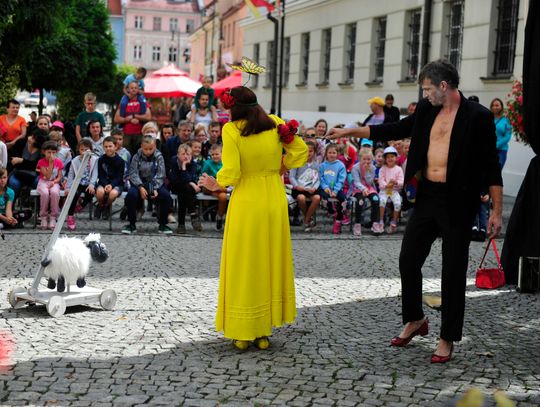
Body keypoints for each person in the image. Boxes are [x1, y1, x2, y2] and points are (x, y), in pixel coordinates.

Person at [328, 59, 503, 363]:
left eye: (427, 89)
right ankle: (415, 319)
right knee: (408, 260)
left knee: (453, 270)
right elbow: (395, 127)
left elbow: (492, 167)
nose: (424, 95)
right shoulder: (426, 110)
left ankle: (447, 337)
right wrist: (350, 131)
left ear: (443, 87)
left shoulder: (478, 117)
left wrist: (497, 211)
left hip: (458, 201)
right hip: (427, 196)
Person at [198, 86, 308, 350]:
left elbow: (233, 172)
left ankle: (244, 331)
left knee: (245, 264)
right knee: (269, 261)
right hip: (274, 198)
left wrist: (216, 184)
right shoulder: (276, 124)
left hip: (248, 200)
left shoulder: (232, 130)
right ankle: (263, 331)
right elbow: (300, 151)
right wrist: (278, 167)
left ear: (234, 108)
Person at [122, 136, 172, 234]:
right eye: (145, 149)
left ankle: (162, 224)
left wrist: (155, 187)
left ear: (155, 146)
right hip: (139, 183)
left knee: (166, 196)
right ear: (141, 146)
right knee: (131, 196)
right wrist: (140, 187)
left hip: (155, 183)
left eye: (151, 149)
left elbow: (161, 173)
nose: (148, 151)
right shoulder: (136, 156)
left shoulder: (159, 156)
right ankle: (131, 224)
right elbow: (133, 173)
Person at [168, 143, 202, 234]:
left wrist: (184, 168)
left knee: (184, 192)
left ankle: (181, 224)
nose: (186, 156)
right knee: (185, 188)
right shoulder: (173, 161)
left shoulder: (193, 164)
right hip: (175, 185)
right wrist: (183, 167)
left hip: (186, 188)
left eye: (188, 154)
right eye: (183, 154)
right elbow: (174, 179)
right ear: (178, 155)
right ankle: (193, 213)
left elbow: (190, 177)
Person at [65, 139, 98, 230]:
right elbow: (71, 175)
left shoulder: (94, 160)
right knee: (74, 194)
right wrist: (68, 187)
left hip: (89, 182)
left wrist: (92, 184)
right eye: (82, 150)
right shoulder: (75, 161)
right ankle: (70, 216)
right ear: (78, 150)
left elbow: (95, 173)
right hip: (78, 182)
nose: (84, 152)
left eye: (86, 149)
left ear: (91, 150)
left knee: (90, 193)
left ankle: (81, 206)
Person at [289, 141, 321, 232]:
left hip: (311, 188)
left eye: (310, 151)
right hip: (299, 188)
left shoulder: (316, 164)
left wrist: (314, 187)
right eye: (306, 151)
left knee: (317, 198)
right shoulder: (297, 162)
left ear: (314, 152)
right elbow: (292, 177)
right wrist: (297, 186)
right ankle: (308, 219)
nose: (308, 153)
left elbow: (318, 179)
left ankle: (306, 220)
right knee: (301, 198)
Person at [114, 81, 152, 155]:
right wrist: (127, 119)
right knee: (127, 155)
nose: (134, 89)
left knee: (140, 154)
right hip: (126, 134)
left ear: (138, 89)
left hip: (140, 133)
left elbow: (148, 117)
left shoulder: (143, 101)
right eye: (131, 88)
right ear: (128, 89)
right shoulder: (123, 102)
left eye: (135, 88)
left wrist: (134, 116)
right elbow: (116, 119)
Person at [8, 129, 46, 200]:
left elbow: (39, 166)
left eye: (33, 138)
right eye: (31, 136)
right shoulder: (21, 143)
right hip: (18, 173)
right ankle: (9, 208)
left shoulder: (42, 150)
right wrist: (29, 164)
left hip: (35, 175)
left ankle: (38, 208)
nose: (30, 138)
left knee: (39, 183)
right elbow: (14, 162)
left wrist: (22, 161)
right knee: (13, 184)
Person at [94, 136, 125, 222]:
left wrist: (111, 185)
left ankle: (106, 206)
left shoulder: (120, 161)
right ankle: (100, 205)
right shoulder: (101, 160)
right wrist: (105, 185)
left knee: (113, 193)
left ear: (115, 147)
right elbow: (100, 175)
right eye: (106, 146)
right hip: (103, 182)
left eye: (110, 146)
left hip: (117, 184)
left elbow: (119, 177)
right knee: (100, 192)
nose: (108, 149)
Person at [35, 141, 64, 230]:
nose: (51, 154)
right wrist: (51, 163)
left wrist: (54, 182)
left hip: (54, 182)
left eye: (53, 152)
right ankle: (43, 216)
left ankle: (53, 217)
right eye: (49, 152)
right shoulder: (41, 162)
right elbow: (47, 176)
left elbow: (59, 177)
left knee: (55, 193)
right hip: (43, 182)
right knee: (45, 193)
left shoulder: (59, 162)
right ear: (44, 152)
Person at [319, 144, 347, 235]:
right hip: (325, 188)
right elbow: (321, 178)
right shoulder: (322, 165)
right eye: (329, 152)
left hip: (337, 189)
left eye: (334, 153)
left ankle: (338, 220)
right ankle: (330, 210)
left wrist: (335, 190)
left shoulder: (340, 165)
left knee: (343, 199)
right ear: (326, 154)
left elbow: (341, 179)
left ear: (337, 153)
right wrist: (325, 187)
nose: (332, 155)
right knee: (323, 197)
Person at [351, 148, 380, 236]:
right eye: (364, 159)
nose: (366, 161)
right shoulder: (355, 168)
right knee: (360, 202)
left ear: (371, 159)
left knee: (375, 200)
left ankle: (374, 222)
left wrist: (367, 171)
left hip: (369, 188)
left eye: (369, 159)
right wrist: (363, 189)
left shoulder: (373, 167)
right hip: (358, 188)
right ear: (360, 158)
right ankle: (357, 224)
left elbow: (369, 182)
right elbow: (356, 182)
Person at [376, 146, 403, 234]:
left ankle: (394, 222)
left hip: (394, 191)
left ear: (396, 158)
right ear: (385, 159)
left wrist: (396, 182)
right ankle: (380, 220)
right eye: (388, 157)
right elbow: (381, 181)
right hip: (384, 190)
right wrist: (386, 185)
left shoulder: (399, 169)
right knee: (382, 201)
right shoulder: (382, 169)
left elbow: (401, 181)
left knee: (398, 203)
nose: (390, 159)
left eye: (392, 156)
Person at [201, 144, 228, 231]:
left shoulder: (225, 163)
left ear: (222, 154)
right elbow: (203, 176)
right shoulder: (208, 163)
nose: (214, 156)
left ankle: (219, 217)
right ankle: (226, 190)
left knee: (223, 197)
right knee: (214, 186)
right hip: (209, 186)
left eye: (217, 154)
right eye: (212, 155)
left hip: (220, 186)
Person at [490, 98, 512, 169]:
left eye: (497, 105)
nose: (494, 107)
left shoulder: (506, 120)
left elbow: (507, 136)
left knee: (497, 171)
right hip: (489, 150)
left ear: (501, 107)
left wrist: (496, 145)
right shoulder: (487, 118)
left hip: (501, 150)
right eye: (493, 105)